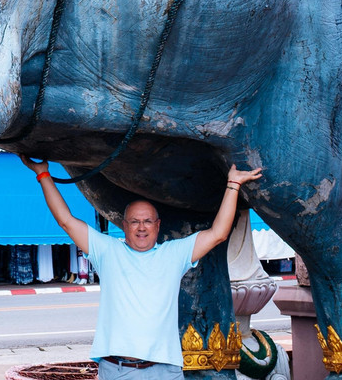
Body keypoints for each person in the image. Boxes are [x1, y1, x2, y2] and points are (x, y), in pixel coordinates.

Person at [23, 157, 262, 380]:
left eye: (147, 221)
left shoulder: (174, 254)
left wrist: (233, 185)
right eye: (135, 221)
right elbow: (66, 220)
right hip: (116, 370)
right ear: (124, 226)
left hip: (163, 371)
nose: (141, 227)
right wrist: (43, 174)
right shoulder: (107, 251)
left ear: (157, 226)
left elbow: (218, 234)